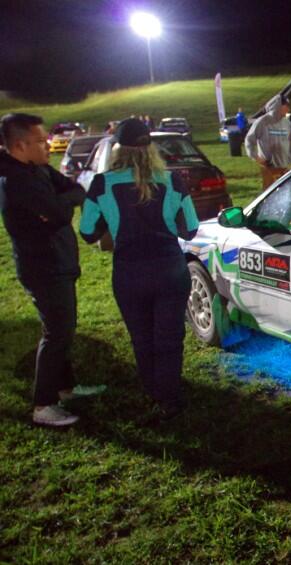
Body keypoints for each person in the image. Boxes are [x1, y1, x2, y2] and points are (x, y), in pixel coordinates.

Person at [79, 118, 198, 421]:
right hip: (170, 269)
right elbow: (191, 230)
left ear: (117, 149)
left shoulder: (102, 183)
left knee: (142, 338)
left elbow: (88, 231)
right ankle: (170, 397)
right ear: (150, 147)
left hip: (130, 272)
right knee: (170, 337)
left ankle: (153, 392)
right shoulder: (172, 180)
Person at [0, 113, 105, 427]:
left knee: (65, 329)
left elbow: (74, 191)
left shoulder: (38, 169)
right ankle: (43, 404)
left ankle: (65, 388)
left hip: (59, 261)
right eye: (41, 141)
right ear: (20, 145)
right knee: (56, 332)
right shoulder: (15, 181)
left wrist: (61, 201)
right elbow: (59, 214)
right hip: (42, 267)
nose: (48, 145)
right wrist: (60, 203)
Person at [245, 93, 291, 189]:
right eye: (286, 106)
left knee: (286, 193)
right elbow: (249, 140)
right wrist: (256, 157)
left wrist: (290, 160)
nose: (288, 109)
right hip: (269, 168)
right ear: (278, 106)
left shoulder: (287, 123)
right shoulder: (262, 122)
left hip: (284, 167)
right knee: (270, 196)